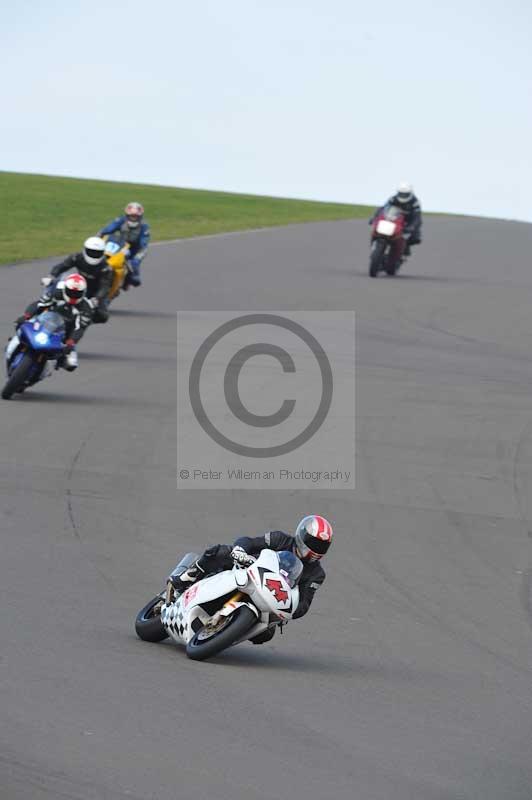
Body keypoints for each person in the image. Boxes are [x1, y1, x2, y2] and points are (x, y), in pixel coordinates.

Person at [169, 515, 333, 644]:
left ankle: (227, 632)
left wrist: (288, 613)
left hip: (270, 598)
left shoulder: (317, 574)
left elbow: (304, 603)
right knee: (219, 553)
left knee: (265, 635)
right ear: (302, 535)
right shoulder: (280, 539)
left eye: (321, 546)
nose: (316, 549)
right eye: (313, 542)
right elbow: (250, 542)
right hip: (247, 571)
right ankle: (183, 580)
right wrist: (241, 550)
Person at [16, 274, 93, 371]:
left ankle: (50, 366)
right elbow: (39, 304)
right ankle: (15, 344)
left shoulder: (86, 308)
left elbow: (80, 328)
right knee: (20, 325)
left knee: (71, 364)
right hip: (44, 322)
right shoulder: (56, 293)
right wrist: (27, 315)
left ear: (83, 293)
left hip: (66, 335)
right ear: (65, 289)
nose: (73, 295)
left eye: (77, 293)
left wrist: (71, 342)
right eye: (71, 292)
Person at [40, 237, 113, 323]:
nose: (93, 254)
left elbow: (104, 286)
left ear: (103, 253)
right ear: (85, 249)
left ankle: (81, 323)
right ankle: (42, 310)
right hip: (77, 285)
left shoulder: (106, 268)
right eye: (91, 251)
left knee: (103, 316)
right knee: (52, 294)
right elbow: (62, 266)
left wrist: (96, 298)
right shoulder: (77, 257)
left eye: (97, 252)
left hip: (94, 292)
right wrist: (51, 276)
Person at [98, 202, 150, 287]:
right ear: (127, 215)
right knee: (103, 253)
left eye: (135, 217)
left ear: (140, 217)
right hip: (120, 243)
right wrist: (98, 237)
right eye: (131, 216)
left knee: (134, 267)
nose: (133, 218)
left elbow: (143, 243)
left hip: (135, 248)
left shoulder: (144, 226)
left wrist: (136, 258)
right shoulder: (121, 220)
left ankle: (131, 278)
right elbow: (108, 229)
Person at [370, 181, 422, 256]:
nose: (403, 196)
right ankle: (374, 246)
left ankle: (405, 248)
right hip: (394, 218)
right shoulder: (393, 199)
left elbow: (417, 217)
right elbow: (382, 209)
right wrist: (375, 218)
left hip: (407, 220)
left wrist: (412, 226)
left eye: (405, 194)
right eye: (401, 194)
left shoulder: (415, 202)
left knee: (414, 237)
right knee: (376, 229)